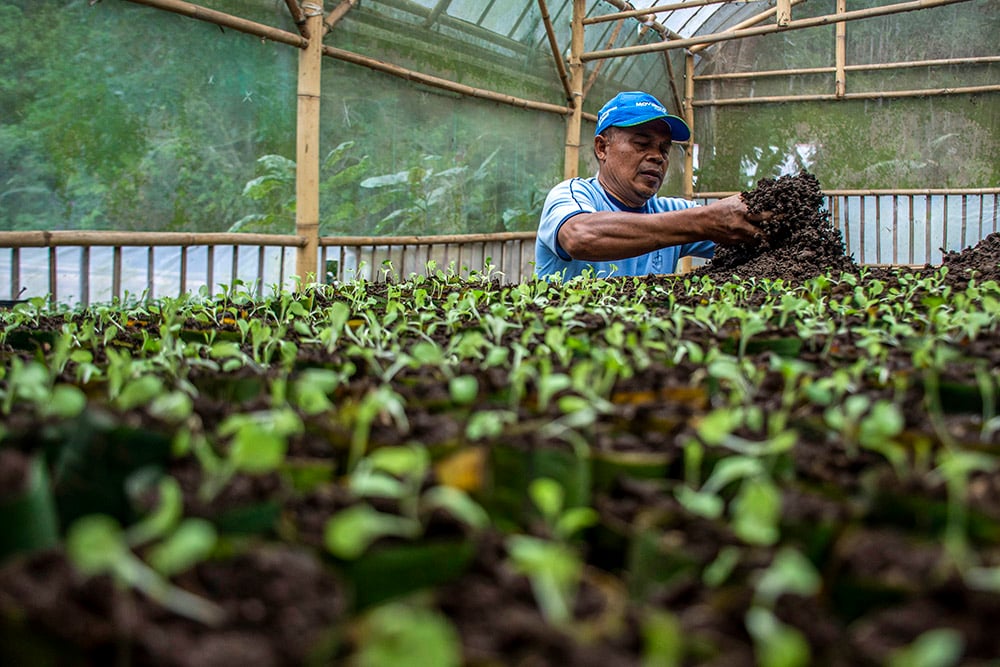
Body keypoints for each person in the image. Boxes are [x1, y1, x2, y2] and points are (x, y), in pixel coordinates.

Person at [535, 91, 766, 280]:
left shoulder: (669, 212)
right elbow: (579, 236)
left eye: (664, 149)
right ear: (602, 148)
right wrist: (704, 221)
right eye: (642, 144)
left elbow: (748, 236)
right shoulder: (573, 194)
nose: (657, 157)